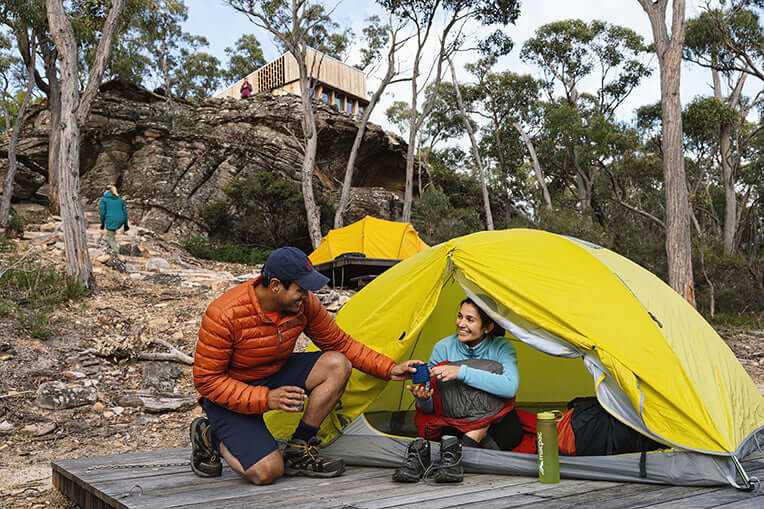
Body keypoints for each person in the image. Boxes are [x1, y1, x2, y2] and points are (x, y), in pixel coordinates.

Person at [190, 246, 422, 485]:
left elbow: (340, 343)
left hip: (273, 373)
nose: (307, 295)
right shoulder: (224, 314)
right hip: (229, 394)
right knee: (266, 473)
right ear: (276, 286)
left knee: (337, 364)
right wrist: (266, 398)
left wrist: (388, 368)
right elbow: (207, 381)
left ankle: (299, 447)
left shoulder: (303, 304)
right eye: (300, 289)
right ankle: (212, 434)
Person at [393, 298, 522, 483]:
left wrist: (461, 372)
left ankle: (452, 454)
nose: (461, 324)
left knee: (493, 376)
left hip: (495, 422)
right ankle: (459, 453)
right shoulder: (444, 347)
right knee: (447, 431)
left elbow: (510, 387)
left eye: (470, 319)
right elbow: (432, 407)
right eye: (460, 316)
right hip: (454, 420)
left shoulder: (502, 348)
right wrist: (423, 399)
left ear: (488, 326)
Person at [98, 185, 129, 254]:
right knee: (111, 234)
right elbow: (125, 213)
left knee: (109, 237)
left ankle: (116, 252)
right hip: (121, 220)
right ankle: (109, 251)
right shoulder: (120, 200)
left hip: (111, 219)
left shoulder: (104, 199)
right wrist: (126, 224)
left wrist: (102, 223)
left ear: (107, 191)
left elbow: (102, 213)